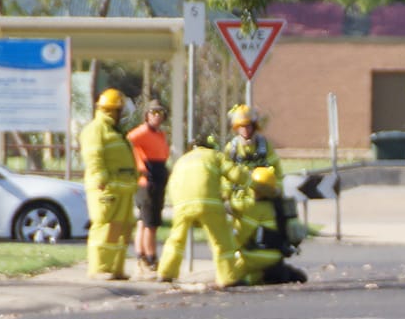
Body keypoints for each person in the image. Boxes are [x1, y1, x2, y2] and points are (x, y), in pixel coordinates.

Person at [155, 130, 260, 288]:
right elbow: (235, 174)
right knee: (221, 240)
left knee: (176, 239)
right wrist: (252, 181)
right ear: (209, 146)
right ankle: (228, 277)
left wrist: (179, 205)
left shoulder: (182, 160)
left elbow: (172, 184)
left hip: (182, 204)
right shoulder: (215, 155)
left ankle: (165, 272)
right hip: (208, 202)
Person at [223, 103, 306, 284]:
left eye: (248, 125)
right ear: (236, 128)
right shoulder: (232, 149)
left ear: (254, 126)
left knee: (256, 233)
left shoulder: (264, 146)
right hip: (241, 199)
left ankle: (261, 268)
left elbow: (276, 170)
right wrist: (226, 197)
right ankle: (272, 271)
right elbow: (226, 175)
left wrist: (275, 191)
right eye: (242, 126)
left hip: (264, 197)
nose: (246, 130)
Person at [79, 88, 137, 280]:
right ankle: (100, 269)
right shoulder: (95, 130)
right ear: (112, 110)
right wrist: (102, 180)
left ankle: (116, 269)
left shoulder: (115, 131)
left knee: (123, 228)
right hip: (107, 190)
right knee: (105, 228)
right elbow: (93, 157)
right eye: (119, 110)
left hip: (123, 190)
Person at [127, 100, 171, 270]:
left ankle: (142, 255)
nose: (157, 117)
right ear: (147, 115)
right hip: (147, 181)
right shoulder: (141, 132)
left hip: (158, 176)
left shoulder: (160, 134)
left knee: (144, 221)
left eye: (160, 113)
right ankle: (150, 258)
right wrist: (139, 165)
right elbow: (129, 142)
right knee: (150, 223)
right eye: (153, 113)